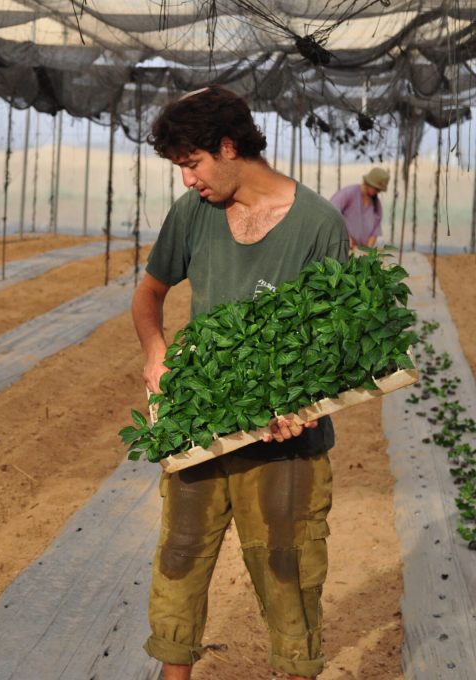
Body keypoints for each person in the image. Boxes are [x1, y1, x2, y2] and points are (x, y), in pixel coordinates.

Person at [130, 86, 349, 680]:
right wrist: (156, 353)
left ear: (228, 146)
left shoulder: (317, 225)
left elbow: (334, 341)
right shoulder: (193, 214)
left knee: (289, 578)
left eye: (192, 163)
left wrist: (303, 402)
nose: (187, 180)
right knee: (179, 568)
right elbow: (150, 293)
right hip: (200, 426)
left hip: (286, 444)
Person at [329, 167, 389, 249]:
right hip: (341, 245)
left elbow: (375, 230)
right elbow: (332, 211)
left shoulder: (376, 204)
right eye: (376, 188)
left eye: (379, 190)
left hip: (360, 249)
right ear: (368, 183)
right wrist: (345, 236)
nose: (377, 191)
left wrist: (368, 250)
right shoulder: (349, 193)